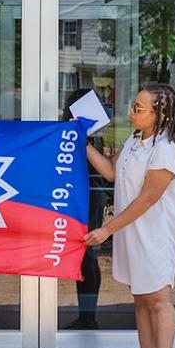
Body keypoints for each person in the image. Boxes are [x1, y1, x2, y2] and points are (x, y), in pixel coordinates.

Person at [84, 83, 175, 348]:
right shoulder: (135, 140)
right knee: (141, 299)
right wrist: (82, 142)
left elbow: (147, 199)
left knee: (158, 300)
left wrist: (107, 229)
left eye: (139, 108)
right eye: (133, 106)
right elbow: (111, 173)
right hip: (132, 234)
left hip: (153, 236)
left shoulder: (165, 150)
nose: (131, 112)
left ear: (160, 113)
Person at [62, 88, 110, 330]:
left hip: (90, 194)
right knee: (85, 257)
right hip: (86, 193)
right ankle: (86, 316)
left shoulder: (88, 135)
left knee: (87, 256)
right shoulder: (89, 133)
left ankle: (88, 317)